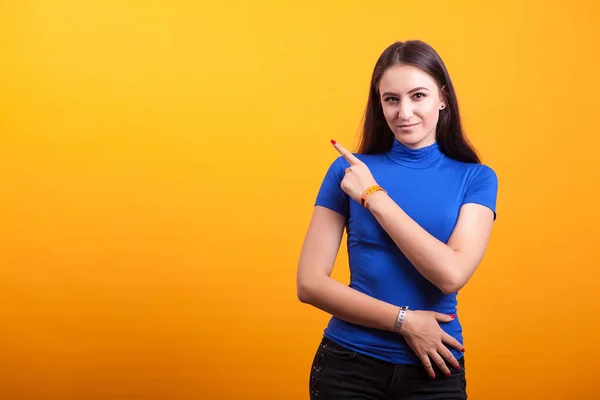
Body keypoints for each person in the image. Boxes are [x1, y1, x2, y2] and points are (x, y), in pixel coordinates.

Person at [296, 40, 498, 400]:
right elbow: (309, 284)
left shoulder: (477, 179)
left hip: (435, 366)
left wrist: (375, 197)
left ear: (443, 98)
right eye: (391, 99)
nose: (404, 112)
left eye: (417, 96)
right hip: (348, 365)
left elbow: (451, 274)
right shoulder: (347, 171)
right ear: (380, 104)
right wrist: (405, 321)